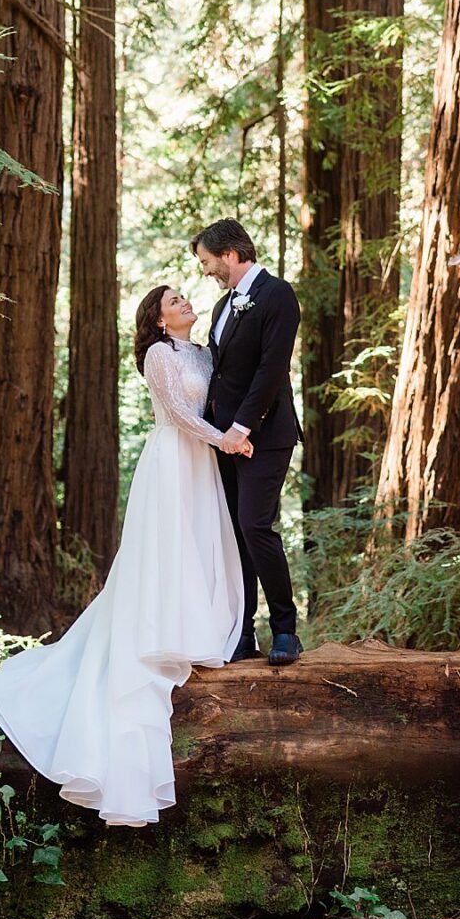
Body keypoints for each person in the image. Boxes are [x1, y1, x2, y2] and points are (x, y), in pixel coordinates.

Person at [0, 285, 251, 827]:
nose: (186, 302)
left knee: (199, 546)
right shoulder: (159, 355)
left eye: (184, 297)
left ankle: (197, 628)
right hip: (175, 458)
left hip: (203, 465)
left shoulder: (202, 352)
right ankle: (154, 632)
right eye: (175, 300)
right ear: (156, 318)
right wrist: (226, 440)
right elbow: (176, 413)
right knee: (165, 551)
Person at [194, 218, 305, 666]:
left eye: (207, 261)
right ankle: (242, 632)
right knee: (235, 533)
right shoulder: (223, 309)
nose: (205, 271)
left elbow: (271, 368)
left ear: (231, 254)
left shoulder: (277, 295)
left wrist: (242, 427)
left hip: (265, 435)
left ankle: (285, 630)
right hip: (225, 441)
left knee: (256, 526)